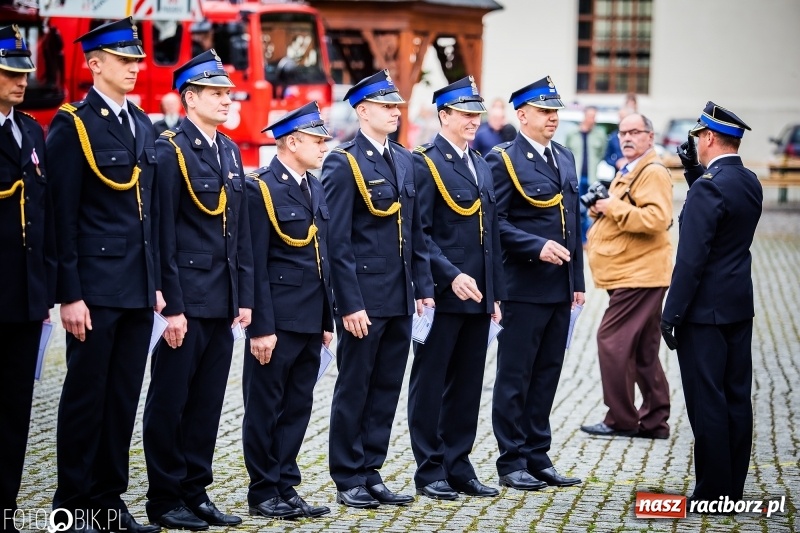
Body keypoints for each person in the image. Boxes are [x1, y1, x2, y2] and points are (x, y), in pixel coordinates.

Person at [46, 18, 163, 533]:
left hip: (137, 288)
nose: (135, 67)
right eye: (124, 60)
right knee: (85, 398)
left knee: (121, 400)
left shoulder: (142, 125)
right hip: (93, 289)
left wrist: (156, 285)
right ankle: (71, 504)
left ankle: (108, 501)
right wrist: (69, 294)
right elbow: (62, 215)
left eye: (137, 60)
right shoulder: (73, 124)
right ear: (95, 64)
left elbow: (150, 218)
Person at [143, 49, 253, 531]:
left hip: (222, 299)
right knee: (170, 400)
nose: (227, 100)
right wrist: (172, 305)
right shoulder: (169, 149)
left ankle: (195, 489)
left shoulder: (228, 150)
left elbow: (240, 232)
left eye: (228, 93)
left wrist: (244, 296)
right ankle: (165, 497)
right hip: (186, 298)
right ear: (190, 98)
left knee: (207, 402)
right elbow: (162, 231)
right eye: (216, 93)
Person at [322, 69, 434, 509]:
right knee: (355, 386)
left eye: (396, 107)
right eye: (386, 106)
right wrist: (348, 304)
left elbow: (416, 231)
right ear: (362, 110)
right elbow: (337, 240)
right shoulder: (342, 161)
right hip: (364, 299)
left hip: (400, 295)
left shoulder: (404, 159)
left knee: (386, 386)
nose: (394, 113)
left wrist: (423, 286)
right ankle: (347, 474)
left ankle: (371, 470)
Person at [408, 77, 506, 501]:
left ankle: (458, 464)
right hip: (442, 293)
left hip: (479, 295)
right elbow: (419, 234)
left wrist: (495, 292)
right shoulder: (425, 162)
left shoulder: (481, 163)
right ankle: (430, 469)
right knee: (431, 383)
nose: (472, 121)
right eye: (464, 113)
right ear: (443, 115)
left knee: (467, 384)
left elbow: (492, 236)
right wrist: (450, 275)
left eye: (476, 114)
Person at [486, 75, 584, 491]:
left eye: (555, 111)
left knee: (547, 373)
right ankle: (511, 460)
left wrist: (577, 280)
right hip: (523, 285)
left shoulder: (564, 156)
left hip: (558, 287)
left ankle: (537, 454)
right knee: (516, 375)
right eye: (545, 111)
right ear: (521, 115)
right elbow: (495, 221)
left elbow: (572, 223)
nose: (553, 119)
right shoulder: (503, 159)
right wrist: (534, 246)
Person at [662, 102, 762, 504]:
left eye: (698, 138)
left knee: (707, 402)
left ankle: (712, 492)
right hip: (738, 304)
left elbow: (691, 259)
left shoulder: (710, 186)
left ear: (708, 138)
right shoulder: (748, 181)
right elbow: (721, 219)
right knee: (736, 397)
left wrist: (671, 313)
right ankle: (731, 488)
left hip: (704, 314)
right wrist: (695, 175)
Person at [242, 102, 334, 520]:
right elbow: (254, 262)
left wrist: (327, 322)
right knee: (265, 407)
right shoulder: (260, 188)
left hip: (310, 320)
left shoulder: (313, 187)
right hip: (276, 321)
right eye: (316, 140)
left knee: (298, 406)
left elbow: (322, 259)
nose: (322, 147)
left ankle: (285, 484)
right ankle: (263, 490)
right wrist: (261, 327)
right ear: (291, 141)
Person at [579, 113, 672, 440]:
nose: (627, 137)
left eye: (635, 131)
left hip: (640, 274)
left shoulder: (653, 171)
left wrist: (610, 208)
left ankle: (621, 418)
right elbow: (624, 208)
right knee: (644, 350)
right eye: (623, 132)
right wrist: (600, 206)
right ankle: (654, 421)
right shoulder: (631, 168)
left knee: (611, 341)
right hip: (633, 272)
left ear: (650, 136)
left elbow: (657, 219)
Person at [0, 25, 56, 533]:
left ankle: (7, 506)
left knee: (17, 408)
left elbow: (44, 218)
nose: (20, 82)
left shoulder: (33, 132)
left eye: (23, 73)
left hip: (24, 298)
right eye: (9, 72)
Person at [564, 106, 608, 244]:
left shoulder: (600, 134)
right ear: (584, 116)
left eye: (594, 117)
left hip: (591, 179)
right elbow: (566, 154)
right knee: (576, 210)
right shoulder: (572, 134)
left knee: (590, 211)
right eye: (590, 116)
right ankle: (578, 239)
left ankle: (589, 240)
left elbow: (602, 153)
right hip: (575, 178)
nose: (592, 119)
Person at [603, 106, 634, 173]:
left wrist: (629, 161)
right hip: (619, 174)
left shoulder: (637, 136)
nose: (620, 120)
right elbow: (607, 157)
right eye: (620, 117)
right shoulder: (614, 136)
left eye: (623, 117)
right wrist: (616, 162)